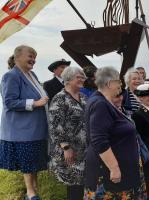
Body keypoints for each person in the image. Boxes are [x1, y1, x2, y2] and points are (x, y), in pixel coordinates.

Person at [84, 67, 142, 200]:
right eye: (119, 82)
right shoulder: (100, 104)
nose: (121, 86)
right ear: (109, 84)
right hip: (108, 175)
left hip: (116, 171)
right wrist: (114, 168)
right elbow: (99, 140)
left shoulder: (101, 101)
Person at [0, 45, 49, 200]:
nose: (33, 60)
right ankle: (31, 193)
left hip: (36, 128)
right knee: (28, 162)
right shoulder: (11, 76)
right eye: (30, 56)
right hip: (22, 130)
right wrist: (35, 103)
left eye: (35, 57)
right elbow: (10, 102)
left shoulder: (32, 74)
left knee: (34, 162)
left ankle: (34, 190)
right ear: (17, 57)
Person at [48, 67, 87, 200]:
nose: (82, 79)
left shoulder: (84, 97)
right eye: (79, 77)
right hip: (70, 150)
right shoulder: (60, 98)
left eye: (83, 77)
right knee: (74, 186)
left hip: (85, 149)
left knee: (84, 185)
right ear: (68, 80)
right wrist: (65, 147)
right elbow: (55, 125)